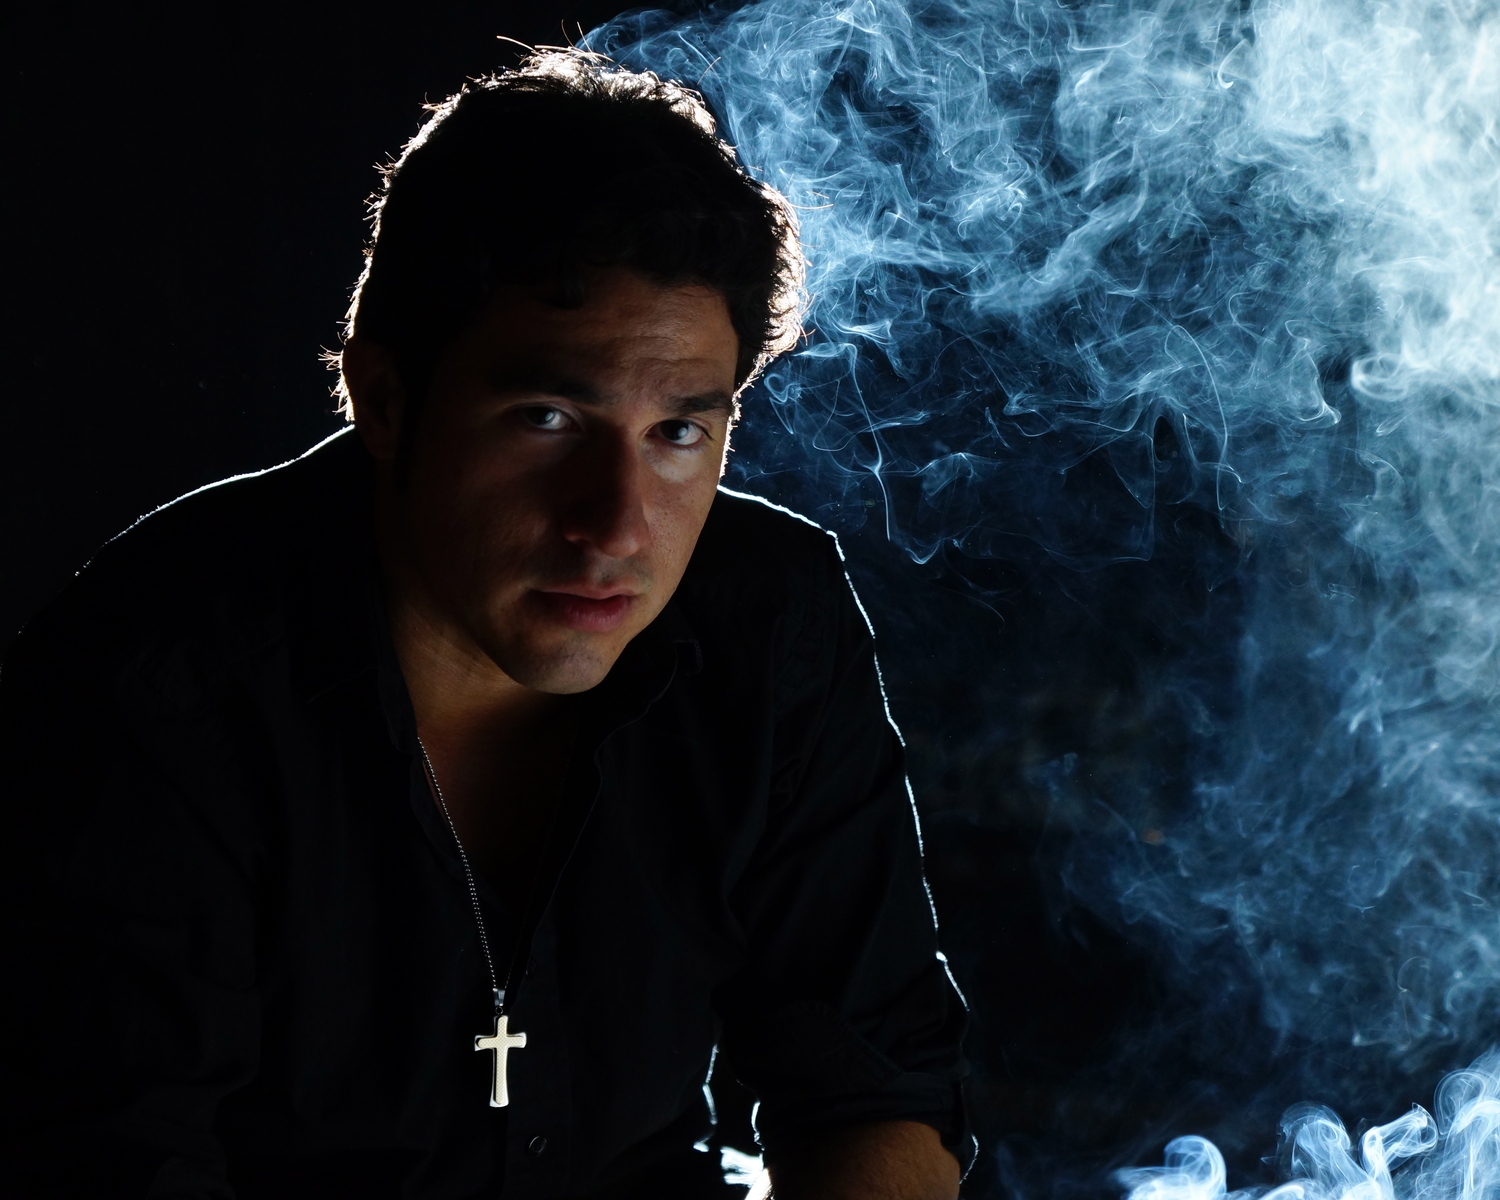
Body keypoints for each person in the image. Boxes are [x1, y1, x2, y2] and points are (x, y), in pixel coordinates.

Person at [0, 50, 968, 1199]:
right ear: (385, 399)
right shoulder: (153, 677)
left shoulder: (769, 617)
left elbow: (877, 1094)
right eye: (547, 418)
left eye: (678, 433)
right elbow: (111, 1161)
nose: (615, 527)